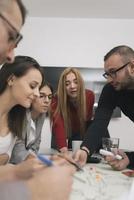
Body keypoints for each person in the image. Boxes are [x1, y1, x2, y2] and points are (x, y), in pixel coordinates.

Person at [0, 1, 75, 199]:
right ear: (11, 79)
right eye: (33, 87)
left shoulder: (15, 116)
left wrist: (13, 168)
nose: (36, 96)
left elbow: (9, 159)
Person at [74, 45, 134, 166]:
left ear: (132, 67)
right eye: (107, 74)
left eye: (113, 72)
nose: (109, 80)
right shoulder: (111, 89)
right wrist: (85, 149)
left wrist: (130, 159)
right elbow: (99, 122)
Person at [0, 55, 44, 165]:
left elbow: (14, 152)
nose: (37, 94)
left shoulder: (18, 116)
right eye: (32, 86)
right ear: (11, 79)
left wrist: (40, 162)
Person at [52, 67, 95, 152]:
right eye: (67, 84)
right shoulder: (56, 98)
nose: (72, 86)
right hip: (61, 133)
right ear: (63, 87)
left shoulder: (89, 95)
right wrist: (63, 149)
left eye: (76, 82)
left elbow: (87, 120)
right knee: (61, 156)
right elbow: (58, 124)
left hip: (80, 133)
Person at [10, 81, 53, 163]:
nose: (47, 101)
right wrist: (38, 161)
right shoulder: (20, 114)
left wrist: (36, 159)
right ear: (33, 95)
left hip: (25, 164)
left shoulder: (41, 114)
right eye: (42, 96)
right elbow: (17, 150)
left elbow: (36, 144)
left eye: (50, 97)